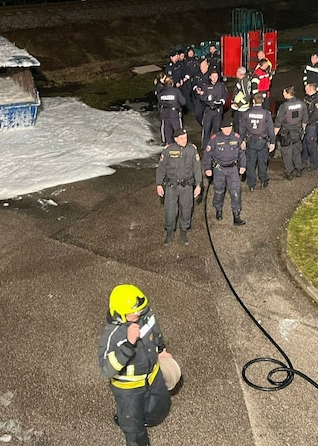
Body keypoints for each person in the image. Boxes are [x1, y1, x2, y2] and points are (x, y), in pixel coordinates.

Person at [98, 284, 179, 446]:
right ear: (120, 312)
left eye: (141, 308)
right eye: (133, 311)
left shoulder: (146, 315)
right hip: (129, 388)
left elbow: (155, 331)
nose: (138, 313)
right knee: (132, 423)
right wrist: (128, 345)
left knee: (161, 402)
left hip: (153, 373)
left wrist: (162, 350)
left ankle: (150, 418)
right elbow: (107, 369)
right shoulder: (111, 336)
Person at [156, 128, 202, 246]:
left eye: (185, 137)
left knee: (186, 209)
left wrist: (198, 185)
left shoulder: (192, 150)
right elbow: (161, 168)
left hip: (186, 186)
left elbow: (197, 168)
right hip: (171, 186)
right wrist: (159, 184)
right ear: (176, 139)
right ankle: (169, 232)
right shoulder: (168, 150)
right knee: (170, 210)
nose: (184, 140)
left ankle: (184, 230)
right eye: (181, 138)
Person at [202, 117, 246, 225]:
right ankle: (218, 209)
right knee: (219, 190)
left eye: (230, 128)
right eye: (225, 128)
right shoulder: (215, 139)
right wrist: (207, 168)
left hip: (233, 169)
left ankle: (236, 214)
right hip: (219, 169)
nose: (228, 130)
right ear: (221, 128)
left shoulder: (237, 138)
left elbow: (242, 153)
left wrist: (243, 166)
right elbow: (207, 154)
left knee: (235, 191)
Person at [239, 94, 275, 192]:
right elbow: (271, 129)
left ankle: (251, 184)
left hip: (250, 141)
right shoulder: (266, 114)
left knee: (250, 163)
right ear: (262, 101)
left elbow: (242, 128)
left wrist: (242, 140)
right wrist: (272, 142)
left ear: (253, 101)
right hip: (262, 142)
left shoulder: (247, 113)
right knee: (262, 162)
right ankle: (263, 180)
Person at [274, 86, 308, 180]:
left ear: (288, 93)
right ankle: (299, 168)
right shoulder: (302, 104)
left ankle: (289, 172)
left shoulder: (284, 106)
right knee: (297, 152)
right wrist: (303, 131)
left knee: (286, 153)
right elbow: (305, 119)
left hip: (286, 133)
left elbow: (278, 122)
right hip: (297, 132)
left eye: (284, 92)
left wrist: (274, 135)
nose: (283, 94)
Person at [156, 75, 185, 146]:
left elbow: (159, 102)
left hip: (165, 114)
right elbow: (183, 102)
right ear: (172, 83)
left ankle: (169, 147)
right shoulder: (176, 91)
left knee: (167, 132)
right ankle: (180, 146)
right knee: (178, 132)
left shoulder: (161, 92)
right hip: (174, 114)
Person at [200, 71, 226, 148]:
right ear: (210, 77)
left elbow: (225, 95)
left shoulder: (221, 86)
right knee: (206, 130)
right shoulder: (206, 86)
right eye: (213, 77)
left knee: (217, 131)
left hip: (218, 112)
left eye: (216, 76)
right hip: (208, 111)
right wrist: (206, 98)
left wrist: (222, 101)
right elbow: (201, 97)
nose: (215, 78)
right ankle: (205, 147)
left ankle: (216, 147)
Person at [302, 82, 318, 171]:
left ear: (310, 89)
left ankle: (313, 164)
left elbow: (316, 115)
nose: (305, 89)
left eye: (306, 88)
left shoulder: (316, 101)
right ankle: (303, 160)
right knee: (304, 143)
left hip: (312, 125)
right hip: (305, 124)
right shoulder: (306, 98)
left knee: (311, 145)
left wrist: (306, 122)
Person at [230, 66, 251, 135]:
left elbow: (247, 95)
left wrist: (238, 104)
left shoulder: (243, 81)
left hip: (241, 109)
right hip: (240, 108)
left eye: (237, 72)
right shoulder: (244, 80)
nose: (236, 73)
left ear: (240, 73)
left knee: (239, 127)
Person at [190, 59, 210, 126]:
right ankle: (203, 124)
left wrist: (205, 92)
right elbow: (193, 83)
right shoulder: (197, 74)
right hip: (198, 97)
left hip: (207, 97)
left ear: (207, 66)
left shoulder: (211, 75)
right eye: (201, 67)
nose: (202, 68)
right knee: (198, 113)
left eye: (203, 67)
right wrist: (196, 88)